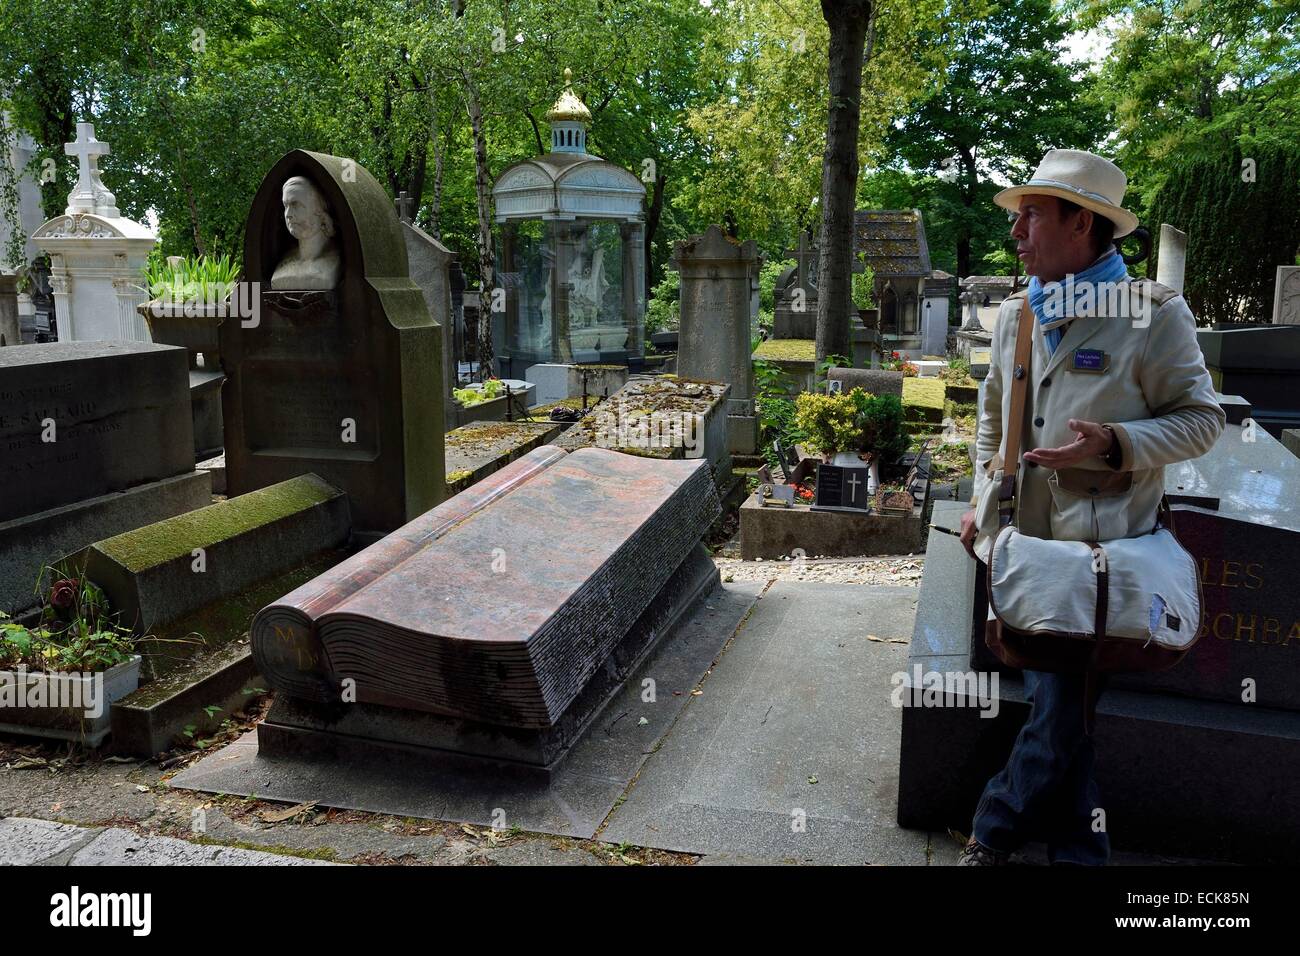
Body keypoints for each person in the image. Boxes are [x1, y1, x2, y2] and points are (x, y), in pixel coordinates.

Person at [956, 149, 1225, 865]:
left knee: (1059, 701)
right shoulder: (1018, 312)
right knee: (1065, 705)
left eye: (1033, 215)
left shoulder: (1152, 316)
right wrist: (986, 497)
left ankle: (995, 829)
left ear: (1083, 223)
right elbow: (993, 417)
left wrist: (1114, 443)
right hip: (1025, 545)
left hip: (1103, 554)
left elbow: (1201, 421)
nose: (1017, 233)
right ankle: (1079, 848)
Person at [271, 176, 341, 290]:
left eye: (295, 204)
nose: (288, 214)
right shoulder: (283, 264)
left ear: (319, 209)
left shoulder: (336, 261)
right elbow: (245, 304)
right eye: (285, 206)